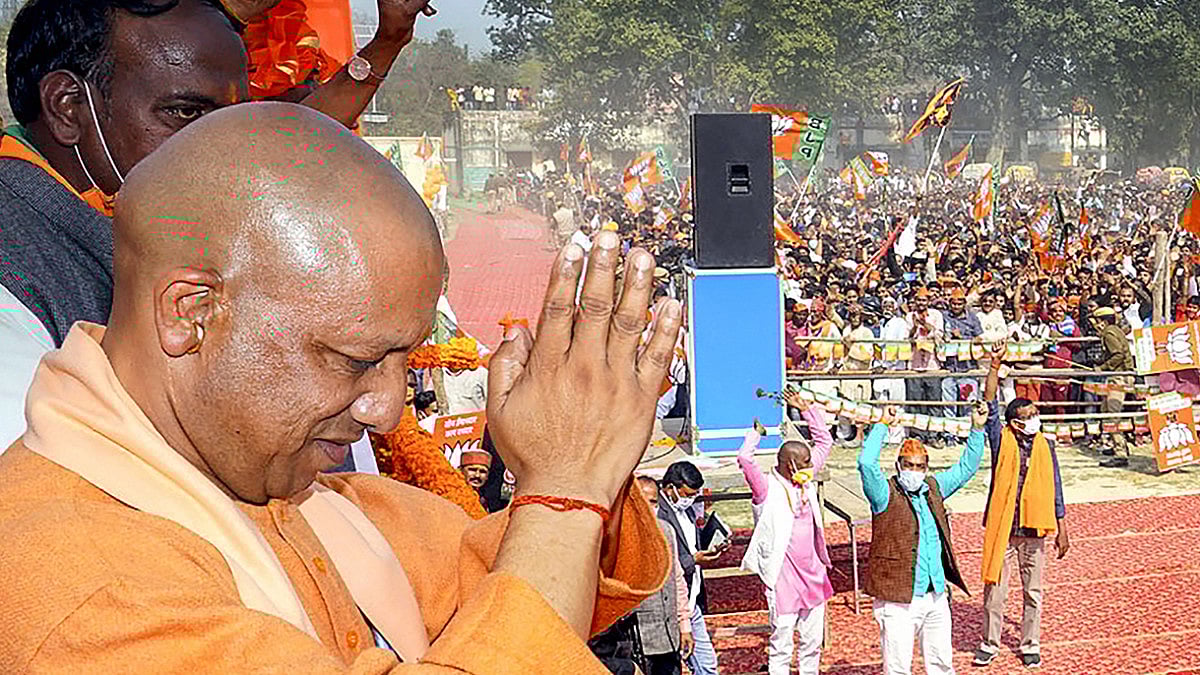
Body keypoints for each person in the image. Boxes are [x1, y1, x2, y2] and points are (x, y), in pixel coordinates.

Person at [0, 103, 682, 671]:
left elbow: (515, 579)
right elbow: (539, 573)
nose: (386, 410)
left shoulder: (321, 502)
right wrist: (564, 493)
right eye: (354, 360)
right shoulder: (79, 585)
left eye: (402, 361)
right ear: (191, 313)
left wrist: (585, 457)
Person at [0, 0, 434, 450]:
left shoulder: (167, 212)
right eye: (187, 114)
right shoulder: (13, 279)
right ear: (68, 107)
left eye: (236, 119)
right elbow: (57, 482)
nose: (227, 146)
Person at [858, 401, 988, 675]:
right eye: (909, 465)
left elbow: (966, 468)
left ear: (927, 468)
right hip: (898, 598)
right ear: (898, 465)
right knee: (898, 669)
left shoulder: (933, 488)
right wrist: (882, 425)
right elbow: (866, 463)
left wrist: (977, 429)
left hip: (936, 594)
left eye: (920, 466)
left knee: (942, 665)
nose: (914, 471)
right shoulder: (884, 494)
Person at [973, 346, 1069, 670]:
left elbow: (1056, 487)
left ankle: (1030, 644)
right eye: (1026, 418)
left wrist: (1062, 529)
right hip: (1004, 529)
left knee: (1034, 593)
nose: (1033, 421)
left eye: (1035, 415)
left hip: (1034, 530)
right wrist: (994, 366)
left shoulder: (1046, 446)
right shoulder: (1002, 441)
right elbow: (989, 404)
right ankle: (989, 643)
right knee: (994, 593)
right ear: (1013, 423)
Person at [738, 393, 834, 675]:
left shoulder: (805, 479)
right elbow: (744, 459)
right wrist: (755, 435)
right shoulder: (766, 489)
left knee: (812, 642)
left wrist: (808, 411)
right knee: (782, 643)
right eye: (804, 463)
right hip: (783, 578)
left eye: (809, 462)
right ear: (789, 465)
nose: (810, 466)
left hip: (813, 572)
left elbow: (825, 442)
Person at [658, 461, 724, 675]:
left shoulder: (685, 509)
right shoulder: (659, 514)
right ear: (670, 488)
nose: (690, 499)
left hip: (692, 598)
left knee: (706, 664)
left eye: (694, 494)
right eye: (687, 494)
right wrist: (693, 560)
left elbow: (691, 543)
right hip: (671, 604)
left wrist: (713, 543)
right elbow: (665, 564)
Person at [633, 476, 694, 675]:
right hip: (641, 638)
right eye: (644, 501)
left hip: (669, 635)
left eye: (654, 503)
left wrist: (684, 625)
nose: (649, 508)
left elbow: (677, 578)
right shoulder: (621, 536)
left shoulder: (666, 530)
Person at [1093, 306, 1134, 467]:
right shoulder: (1115, 330)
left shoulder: (1109, 333)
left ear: (1102, 322)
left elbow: (1118, 354)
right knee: (1106, 410)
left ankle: (1120, 453)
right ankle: (1117, 443)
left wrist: (1102, 368)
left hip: (1119, 376)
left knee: (1112, 414)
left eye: (1096, 321)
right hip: (1120, 375)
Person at [906, 287, 944, 447]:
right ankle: (918, 435)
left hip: (932, 365)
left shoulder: (936, 315)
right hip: (914, 365)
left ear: (928, 301)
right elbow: (908, 337)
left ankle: (933, 435)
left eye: (924, 300)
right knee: (915, 401)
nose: (921, 303)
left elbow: (939, 335)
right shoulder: (909, 316)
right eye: (918, 300)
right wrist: (915, 327)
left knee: (934, 401)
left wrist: (925, 324)